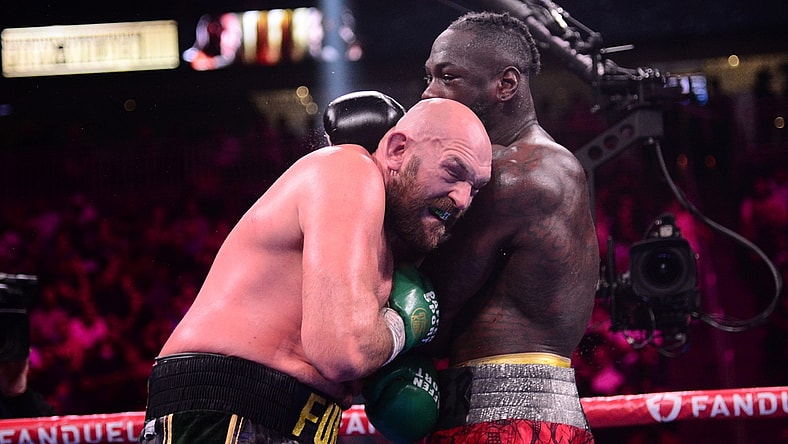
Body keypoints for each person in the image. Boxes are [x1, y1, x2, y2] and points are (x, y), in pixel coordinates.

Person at [139, 97, 492, 444]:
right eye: (453, 171)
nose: (462, 198)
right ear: (397, 150)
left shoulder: (384, 242)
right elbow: (343, 352)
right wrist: (401, 326)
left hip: (286, 419)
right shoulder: (348, 169)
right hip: (225, 408)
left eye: (475, 188)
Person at [419, 11, 599, 443]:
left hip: (505, 426)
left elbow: (430, 310)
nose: (429, 93)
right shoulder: (544, 165)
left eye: (448, 77)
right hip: (519, 420)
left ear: (505, 84)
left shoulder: (515, 174)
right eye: (429, 76)